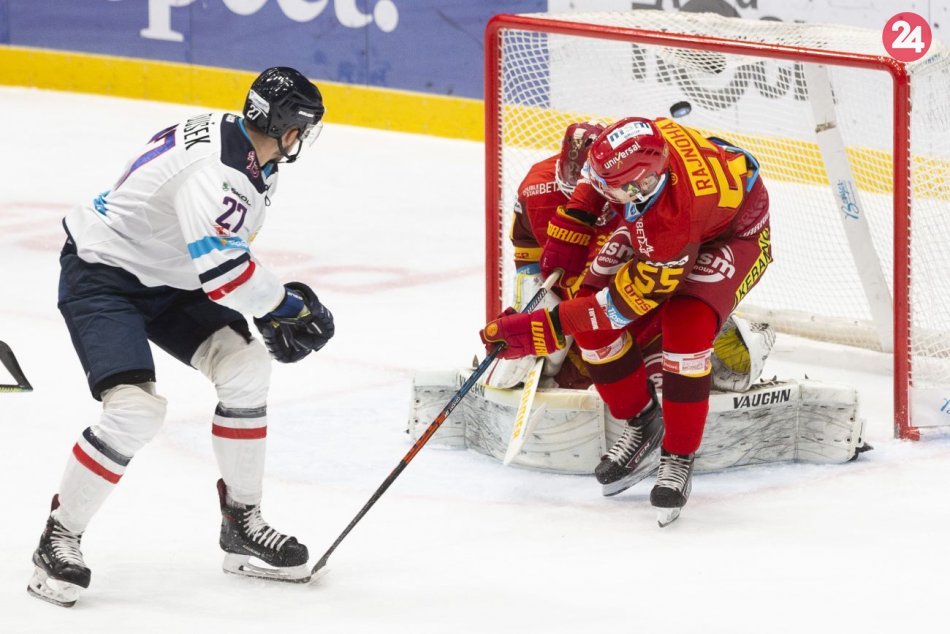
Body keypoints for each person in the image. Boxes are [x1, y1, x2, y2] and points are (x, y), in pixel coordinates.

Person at [27, 67, 334, 607]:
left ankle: (242, 523)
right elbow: (223, 271)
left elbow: (221, 254)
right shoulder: (218, 174)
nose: (302, 140)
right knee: (134, 411)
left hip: (168, 277)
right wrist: (283, 306)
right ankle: (59, 538)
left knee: (245, 368)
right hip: (104, 275)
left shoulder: (247, 151)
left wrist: (259, 310)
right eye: (302, 129)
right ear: (286, 128)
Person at [481, 116, 771, 525]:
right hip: (675, 219)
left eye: (613, 189)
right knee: (587, 313)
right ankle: (642, 420)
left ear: (642, 186)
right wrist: (573, 227)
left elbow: (618, 306)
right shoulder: (639, 142)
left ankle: (678, 455)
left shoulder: (671, 224)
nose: (604, 191)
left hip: (733, 235)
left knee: (685, 328)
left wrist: (544, 330)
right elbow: (594, 181)